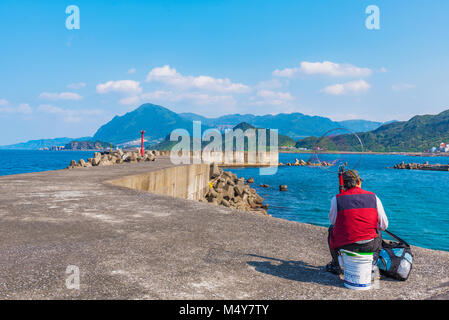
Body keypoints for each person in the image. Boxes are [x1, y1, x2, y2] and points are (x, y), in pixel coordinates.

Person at [326, 169, 388, 275]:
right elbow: (384, 225)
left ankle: (336, 264)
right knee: (378, 233)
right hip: (369, 245)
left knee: (331, 229)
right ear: (359, 182)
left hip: (345, 245)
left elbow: (333, 221)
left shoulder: (336, 199)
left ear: (343, 184)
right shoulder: (374, 197)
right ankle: (372, 264)